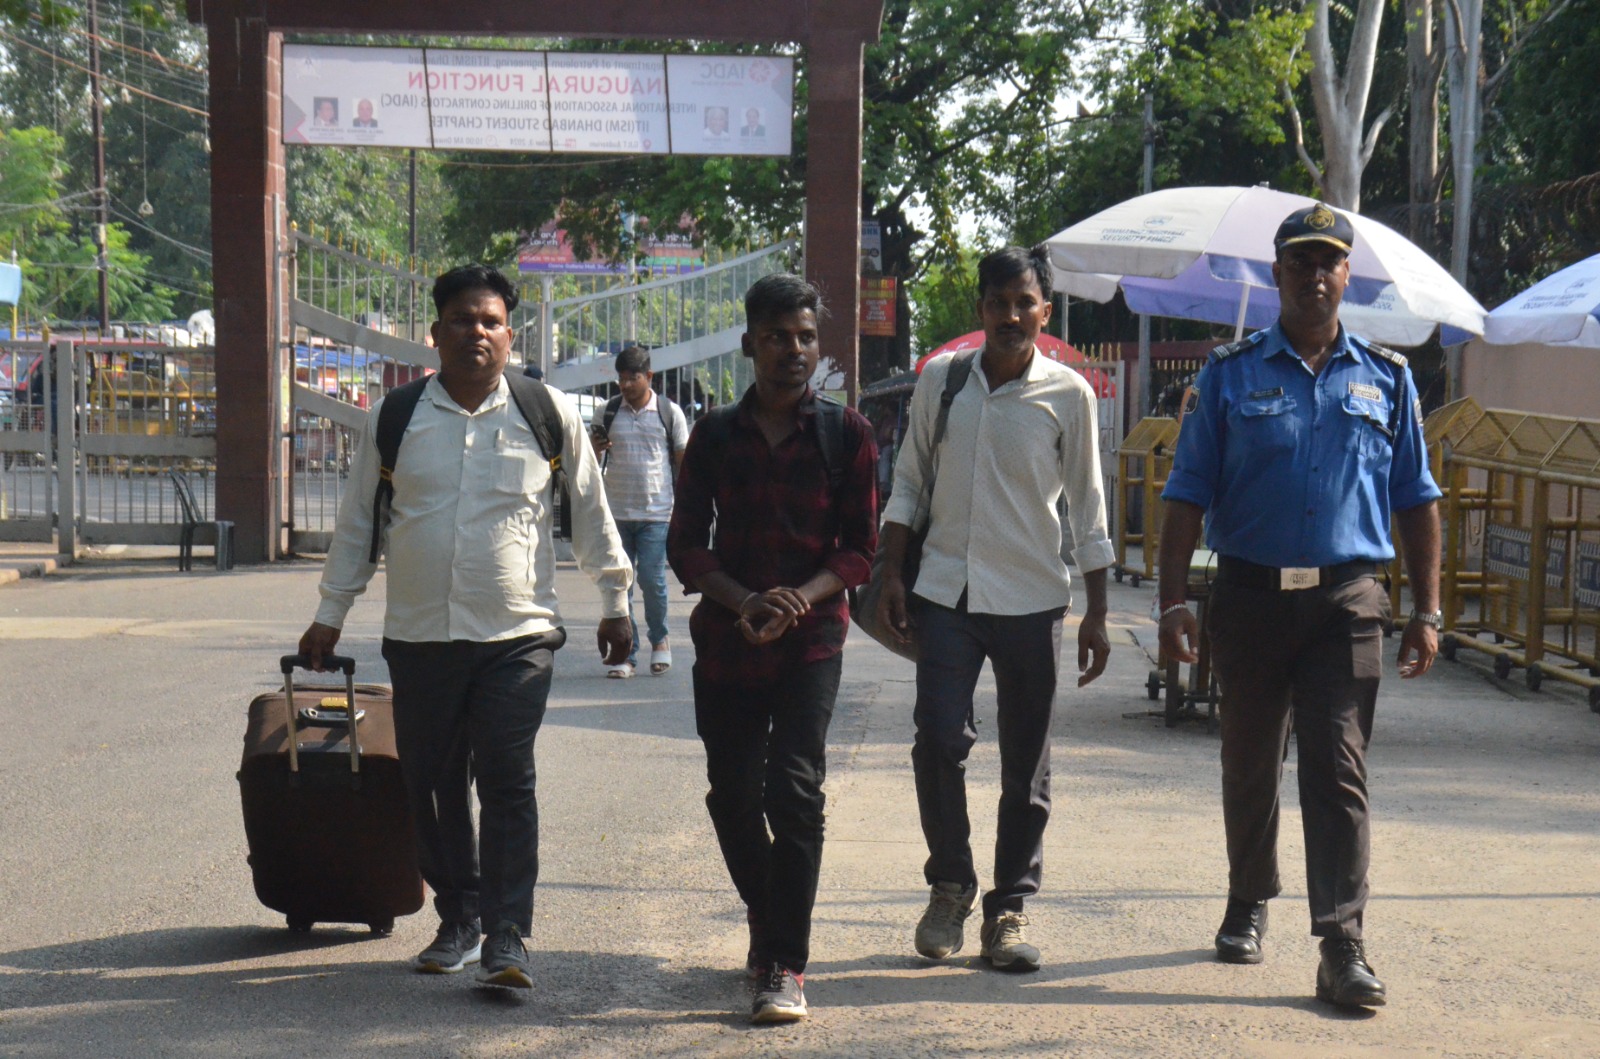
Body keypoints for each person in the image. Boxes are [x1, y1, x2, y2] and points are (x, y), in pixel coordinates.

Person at [298, 264, 633, 990]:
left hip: (518, 637)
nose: (476, 332)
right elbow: (358, 524)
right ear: (436, 332)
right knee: (433, 783)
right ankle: (459, 915)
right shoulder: (396, 417)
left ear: (510, 336)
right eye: (461, 319)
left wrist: (616, 600)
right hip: (421, 637)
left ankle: (507, 933)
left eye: (490, 321)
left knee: (508, 779)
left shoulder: (546, 412)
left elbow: (590, 510)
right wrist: (329, 615)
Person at [1156, 203, 1443, 1010]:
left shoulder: (1387, 378)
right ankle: (1248, 896)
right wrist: (1172, 600)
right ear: (1276, 273)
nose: (1316, 275)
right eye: (1301, 262)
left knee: (1337, 764)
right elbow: (1186, 492)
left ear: (1347, 275)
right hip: (1249, 595)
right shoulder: (1228, 374)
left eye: (1329, 262)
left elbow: (1417, 498)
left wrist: (1427, 611)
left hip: (1346, 600)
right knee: (1249, 759)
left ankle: (1341, 942)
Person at [876, 244, 1114, 973]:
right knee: (937, 739)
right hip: (946, 592)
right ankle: (950, 886)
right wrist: (890, 570)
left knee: (1026, 764)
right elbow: (910, 479)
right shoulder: (943, 381)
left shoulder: (1069, 395)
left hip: (1032, 599)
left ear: (1045, 310)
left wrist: (1098, 612)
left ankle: (1008, 907)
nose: (1012, 315)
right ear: (980, 308)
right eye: (999, 302)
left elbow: (1089, 507)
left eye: (1024, 303)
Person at [667, 274, 878, 1023]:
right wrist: (745, 601)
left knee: (794, 789)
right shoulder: (715, 435)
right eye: (779, 337)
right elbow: (685, 543)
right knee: (732, 796)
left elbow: (859, 549)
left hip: (810, 644)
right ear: (749, 344)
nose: (794, 350)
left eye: (806, 337)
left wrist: (800, 598)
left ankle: (784, 961)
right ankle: (770, 909)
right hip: (728, 643)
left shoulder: (847, 435)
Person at [589, 345, 690, 678]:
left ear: (648, 376)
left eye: (632, 378)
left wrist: (687, 506)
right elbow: (589, 462)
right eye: (621, 378)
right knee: (621, 586)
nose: (626, 385)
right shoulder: (607, 412)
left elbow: (682, 462)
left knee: (651, 578)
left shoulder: (669, 412)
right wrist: (594, 448)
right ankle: (626, 654)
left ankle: (660, 640)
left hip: (656, 514)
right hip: (616, 513)